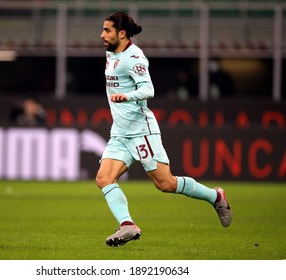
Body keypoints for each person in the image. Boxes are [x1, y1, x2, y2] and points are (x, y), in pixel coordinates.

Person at [96, 12, 232, 247]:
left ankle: (215, 196)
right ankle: (127, 225)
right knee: (104, 178)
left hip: (141, 130)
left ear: (122, 34)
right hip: (120, 132)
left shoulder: (135, 57)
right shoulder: (111, 53)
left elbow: (148, 90)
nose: (102, 35)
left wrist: (126, 97)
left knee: (165, 184)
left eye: (107, 30)